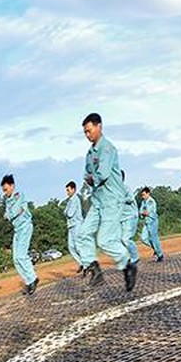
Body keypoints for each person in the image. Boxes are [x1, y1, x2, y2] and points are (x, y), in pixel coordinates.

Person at [77, 112, 136, 291]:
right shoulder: (90, 153)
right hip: (98, 201)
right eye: (85, 133)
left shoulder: (107, 148)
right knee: (82, 234)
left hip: (112, 200)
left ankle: (127, 265)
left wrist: (91, 178)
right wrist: (90, 178)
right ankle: (95, 271)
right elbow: (86, 174)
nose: (88, 135)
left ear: (99, 126)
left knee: (104, 240)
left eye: (89, 131)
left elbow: (100, 174)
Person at [1, 174, 38, 295]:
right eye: (3, 190)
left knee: (22, 255)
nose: (5, 192)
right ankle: (28, 281)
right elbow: (8, 214)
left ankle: (33, 279)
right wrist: (10, 214)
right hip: (17, 230)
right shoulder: (8, 200)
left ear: (12, 186)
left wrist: (10, 215)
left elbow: (17, 211)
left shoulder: (19, 195)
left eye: (6, 189)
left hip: (25, 227)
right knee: (16, 259)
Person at [138, 187, 164, 262]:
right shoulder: (143, 202)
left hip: (153, 222)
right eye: (142, 195)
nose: (143, 196)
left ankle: (160, 255)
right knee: (143, 238)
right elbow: (141, 213)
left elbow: (146, 212)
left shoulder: (151, 201)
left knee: (154, 239)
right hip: (146, 222)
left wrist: (142, 213)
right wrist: (142, 213)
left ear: (148, 193)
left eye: (144, 194)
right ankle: (156, 249)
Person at [121, 172, 141, 266]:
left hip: (131, 216)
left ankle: (135, 257)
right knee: (121, 239)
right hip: (123, 218)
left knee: (126, 239)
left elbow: (131, 198)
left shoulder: (125, 188)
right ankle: (129, 257)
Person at [64, 180, 84, 272]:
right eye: (66, 190)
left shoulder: (75, 199)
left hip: (77, 225)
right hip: (71, 226)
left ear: (73, 189)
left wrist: (66, 211)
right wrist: (66, 211)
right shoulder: (69, 201)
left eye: (68, 190)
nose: (67, 192)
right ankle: (81, 263)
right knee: (71, 247)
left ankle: (87, 263)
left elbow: (69, 213)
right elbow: (65, 212)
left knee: (78, 246)